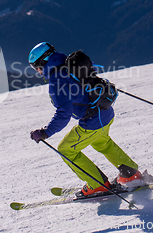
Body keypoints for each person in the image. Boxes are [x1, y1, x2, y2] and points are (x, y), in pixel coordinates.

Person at [28, 42, 144, 197]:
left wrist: (45, 133)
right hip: (105, 113)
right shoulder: (70, 63)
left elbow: (64, 113)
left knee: (66, 149)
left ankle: (97, 185)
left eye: (36, 67)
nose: (38, 71)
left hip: (93, 121)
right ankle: (131, 174)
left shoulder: (57, 80)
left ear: (43, 62)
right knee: (102, 143)